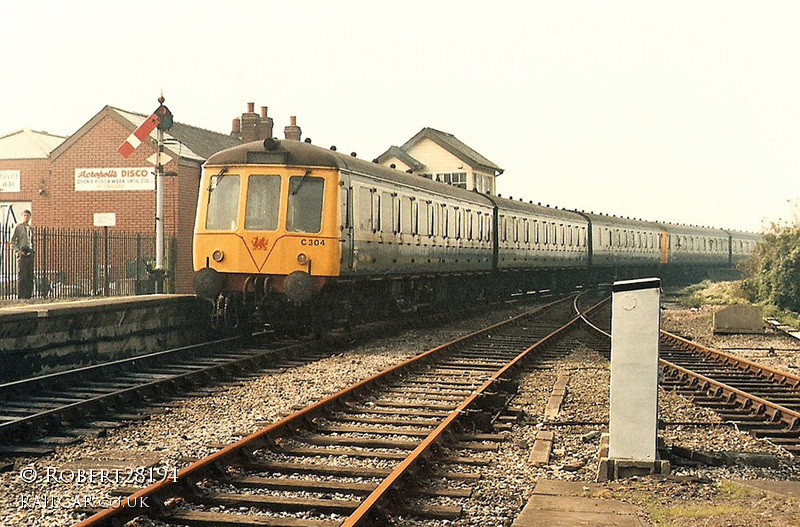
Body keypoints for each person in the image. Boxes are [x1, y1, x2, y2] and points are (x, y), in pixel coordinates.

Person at [10, 210, 34, 299]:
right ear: (22, 216)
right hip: (22, 252)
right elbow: (12, 241)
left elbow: (32, 241)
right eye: (25, 215)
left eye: (28, 215)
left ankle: (28, 296)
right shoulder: (18, 227)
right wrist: (18, 251)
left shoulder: (31, 228)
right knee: (22, 275)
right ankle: (21, 296)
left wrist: (33, 251)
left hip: (30, 252)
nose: (26, 217)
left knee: (30, 275)